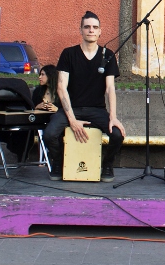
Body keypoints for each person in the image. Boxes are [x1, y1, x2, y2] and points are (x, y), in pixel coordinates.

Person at [42, 12, 125, 182]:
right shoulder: (68, 54)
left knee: (117, 134)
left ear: (100, 31)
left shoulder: (107, 55)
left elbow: (110, 88)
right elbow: (61, 87)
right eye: (87, 27)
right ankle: (58, 163)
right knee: (49, 134)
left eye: (95, 27)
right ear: (81, 30)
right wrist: (71, 120)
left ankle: (107, 165)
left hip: (97, 109)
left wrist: (113, 117)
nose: (91, 30)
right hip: (71, 109)